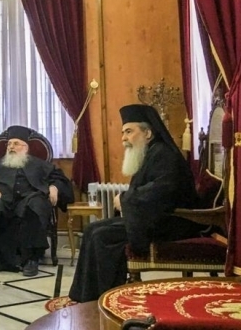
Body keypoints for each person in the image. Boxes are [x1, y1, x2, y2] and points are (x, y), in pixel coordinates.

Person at [68, 104, 203, 303]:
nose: (123, 138)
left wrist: (124, 199)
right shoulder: (152, 152)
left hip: (174, 223)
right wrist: (127, 199)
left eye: (129, 132)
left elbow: (161, 192)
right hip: (156, 219)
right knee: (91, 230)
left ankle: (105, 298)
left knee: (101, 236)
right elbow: (149, 192)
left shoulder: (165, 155)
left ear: (147, 133)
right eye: (123, 133)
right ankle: (86, 297)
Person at [0, 126, 74, 276]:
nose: (11, 147)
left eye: (16, 143)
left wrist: (54, 187)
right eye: (9, 144)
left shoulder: (40, 165)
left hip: (29, 199)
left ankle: (31, 259)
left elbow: (60, 179)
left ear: (25, 147)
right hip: (2, 201)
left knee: (36, 204)